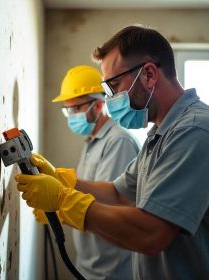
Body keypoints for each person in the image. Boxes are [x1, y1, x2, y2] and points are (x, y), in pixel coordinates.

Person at [15, 25, 209, 279]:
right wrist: (63, 180)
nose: (111, 99)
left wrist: (64, 202)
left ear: (149, 75)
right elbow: (118, 194)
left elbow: (150, 234)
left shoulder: (195, 131)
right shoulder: (161, 134)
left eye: (115, 84)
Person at [36, 65, 140, 279]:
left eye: (76, 109)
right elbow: (88, 193)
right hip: (90, 264)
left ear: (99, 105)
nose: (71, 115)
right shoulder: (92, 142)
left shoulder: (118, 141)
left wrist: (60, 209)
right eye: (68, 110)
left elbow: (111, 204)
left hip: (112, 269)